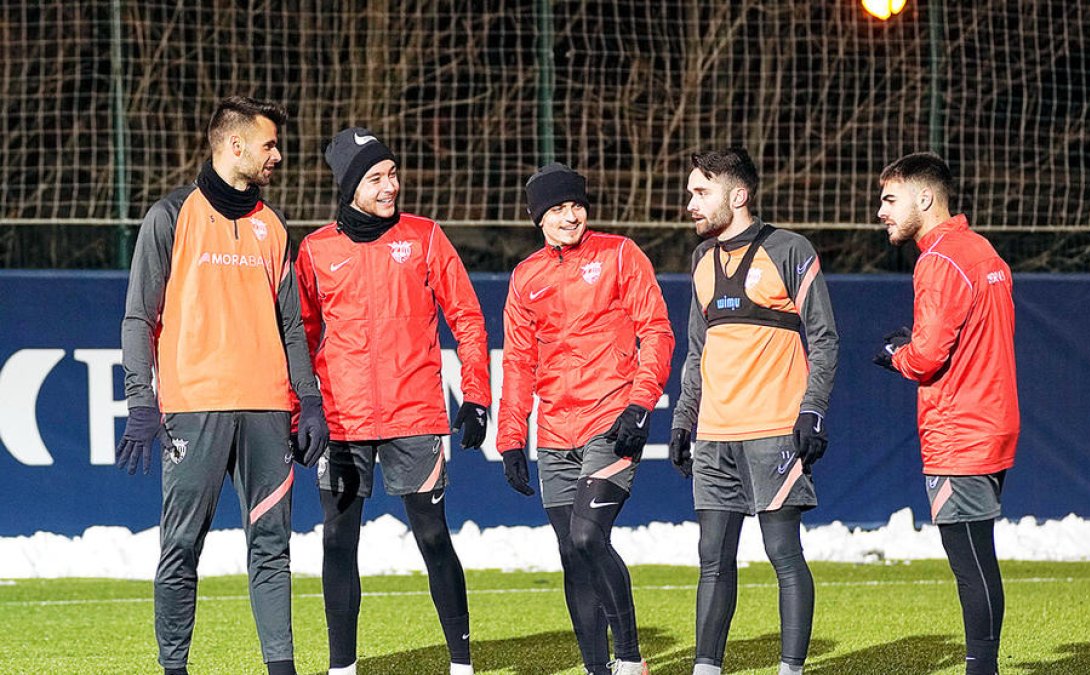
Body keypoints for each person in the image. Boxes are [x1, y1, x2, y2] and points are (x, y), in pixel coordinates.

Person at [117, 95, 330, 675]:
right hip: (195, 411)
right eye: (269, 145)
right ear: (234, 146)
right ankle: (174, 668)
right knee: (181, 549)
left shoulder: (272, 225)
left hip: (267, 413)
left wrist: (308, 399)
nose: (277, 156)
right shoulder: (170, 216)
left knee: (272, 551)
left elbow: (290, 323)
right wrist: (142, 399)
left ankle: (281, 669)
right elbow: (139, 318)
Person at [294, 128, 490, 675]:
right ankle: (342, 668)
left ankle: (461, 664)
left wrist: (475, 395)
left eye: (393, 174)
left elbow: (468, 319)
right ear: (350, 186)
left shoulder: (425, 237)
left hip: (414, 415)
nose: (391, 187)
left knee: (433, 536)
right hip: (341, 421)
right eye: (376, 178)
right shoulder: (314, 250)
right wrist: (298, 410)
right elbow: (301, 337)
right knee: (338, 540)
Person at [495, 163, 674, 675]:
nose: (570, 216)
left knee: (588, 537)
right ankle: (597, 669)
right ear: (538, 219)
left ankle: (631, 658)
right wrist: (511, 438)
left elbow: (656, 332)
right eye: (557, 209)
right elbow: (519, 361)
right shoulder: (525, 277)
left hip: (611, 420)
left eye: (576, 205)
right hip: (553, 432)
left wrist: (640, 405)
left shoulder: (620, 254)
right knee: (571, 556)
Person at [669, 148, 839, 675]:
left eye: (702, 192)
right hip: (715, 437)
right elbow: (697, 351)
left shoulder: (789, 249)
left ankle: (791, 669)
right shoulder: (700, 262)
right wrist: (682, 419)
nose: (690, 202)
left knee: (782, 554)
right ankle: (706, 667)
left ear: (737, 196)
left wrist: (811, 412)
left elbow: (825, 338)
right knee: (712, 560)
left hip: (774, 435)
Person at [872, 152, 1018, 675]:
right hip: (992, 422)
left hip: (961, 430)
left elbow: (929, 357)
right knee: (979, 555)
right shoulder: (982, 251)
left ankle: (982, 668)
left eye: (890, 199)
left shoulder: (939, 260)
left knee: (971, 562)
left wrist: (897, 356)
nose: (881, 212)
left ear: (925, 198)